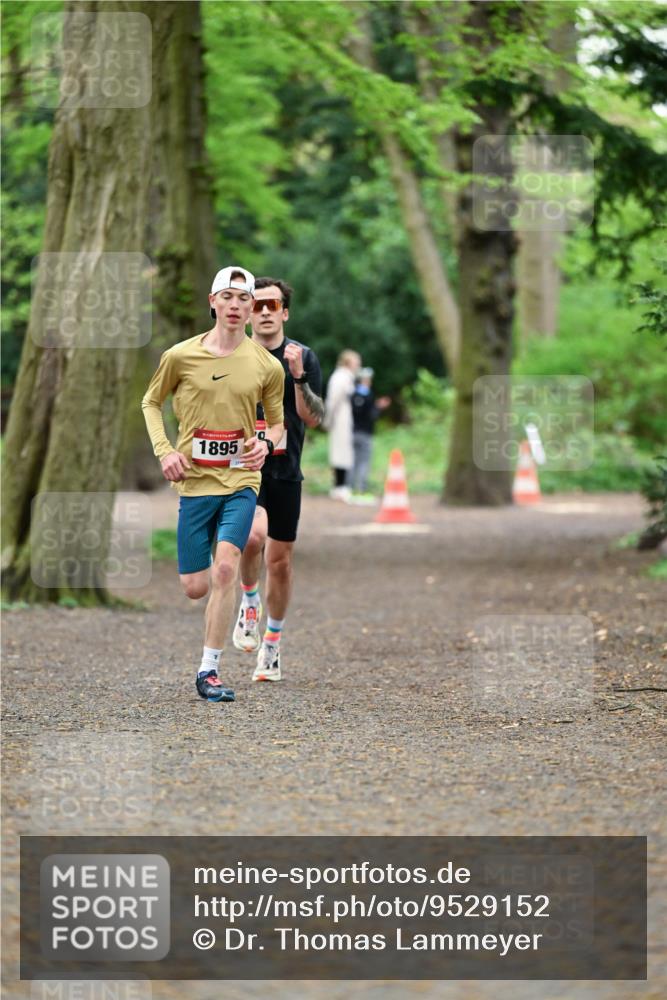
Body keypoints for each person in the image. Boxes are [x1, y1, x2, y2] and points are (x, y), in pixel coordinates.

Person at [141, 266, 285, 703]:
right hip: (194, 482)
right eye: (229, 298)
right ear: (213, 302)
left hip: (241, 478)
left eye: (246, 299)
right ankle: (229, 606)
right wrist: (166, 450)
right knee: (195, 586)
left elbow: (278, 425)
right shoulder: (180, 356)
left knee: (225, 567)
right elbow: (150, 402)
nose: (238, 306)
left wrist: (264, 443)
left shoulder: (265, 364)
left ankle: (209, 671)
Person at [232, 277, 324, 682]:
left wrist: (299, 376)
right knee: (252, 538)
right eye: (259, 306)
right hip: (243, 466)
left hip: (286, 469)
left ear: (284, 312)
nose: (266, 312)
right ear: (249, 312)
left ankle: (272, 643)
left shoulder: (302, 356)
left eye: (273, 305)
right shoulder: (232, 355)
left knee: (280, 562)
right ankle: (250, 600)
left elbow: (313, 419)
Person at [324, 349, 360, 501]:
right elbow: (333, 401)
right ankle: (339, 486)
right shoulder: (340, 377)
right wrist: (328, 420)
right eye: (356, 362)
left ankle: (342, 485)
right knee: (339, 452)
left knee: (344, 452)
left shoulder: (347, 377)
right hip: (339, 419)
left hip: (345, 418)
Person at [351, 367, 391, 498]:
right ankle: (361, 488)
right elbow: (371, 415)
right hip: (365, 433)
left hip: (352, 432)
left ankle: (351, 488)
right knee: (364, 462)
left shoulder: (353, 394)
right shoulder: (368, 395)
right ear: (366, 381)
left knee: (353, 461)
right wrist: (378, 407)